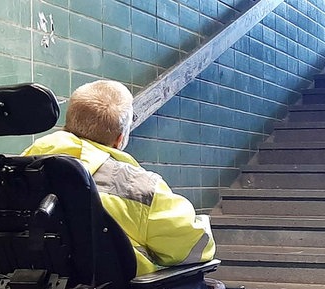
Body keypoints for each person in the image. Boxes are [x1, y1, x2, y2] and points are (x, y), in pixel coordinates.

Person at [22, 80, 215, 276]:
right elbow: (194, 249)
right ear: (120, 138)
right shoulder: (141, 188)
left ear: (67, 125)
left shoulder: (16, 172)